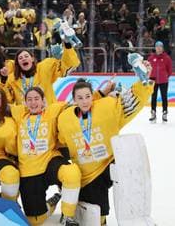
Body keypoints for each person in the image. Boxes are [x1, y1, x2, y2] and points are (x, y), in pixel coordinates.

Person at [57, 74, 154, 224]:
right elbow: (61, 141)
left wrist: (143, 82)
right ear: (74, 99)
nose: (84, 101)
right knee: (94, 209)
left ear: (92, 97)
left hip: (108, 163)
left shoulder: (107, 107)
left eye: (87, 96)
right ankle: (100, 221)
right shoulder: (65, 119)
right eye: (80, 98)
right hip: (86, 173)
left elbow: (131, 103)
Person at [10, 87, 81, 225]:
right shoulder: (19, 114)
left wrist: (102, 93)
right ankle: (51, 203)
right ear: (24, 103)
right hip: (29, 170)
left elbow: (79, 102)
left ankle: (67, 215)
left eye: (36, 99)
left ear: (43, 101)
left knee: (71, 172)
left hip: (50, 160)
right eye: (29, 99)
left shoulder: (52, 111)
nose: (33, 102)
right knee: (35, 221)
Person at [4, 39, 80, 106]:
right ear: (17, 63)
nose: (24, 59)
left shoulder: (44, 68)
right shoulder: (12, 79)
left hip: (48, 116)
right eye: (20, 58)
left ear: (32, 59)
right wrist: (3, 79)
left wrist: (67, 45)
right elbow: (7, 99)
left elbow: (69, 65)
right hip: (25, 119)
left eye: (26, 56)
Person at [148, 41, 172, 123]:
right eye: (157, 47)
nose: (158, 48)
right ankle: (153, 113)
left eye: (160, 47)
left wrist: (164, 76)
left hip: (163, 81)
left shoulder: (167, 58)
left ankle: (164, 113)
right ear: (155, 48)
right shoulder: (151, 58)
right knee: (153, 97)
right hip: (152, 80)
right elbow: (147, 69)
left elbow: (169, 70)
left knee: (164, 97)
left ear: (162, 48)